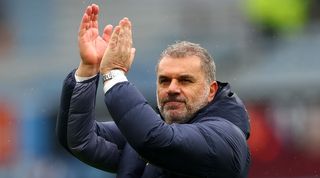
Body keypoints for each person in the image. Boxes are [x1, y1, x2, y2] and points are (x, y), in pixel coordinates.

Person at [56, 3, 251, 178]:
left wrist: (113, 73)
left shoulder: (226, 138)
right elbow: (79, 139)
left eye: (185, 80)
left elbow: (157, 140)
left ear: (211, 91)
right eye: (164, 81)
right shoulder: (148, 131)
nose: (172, 89)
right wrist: (89, 69)